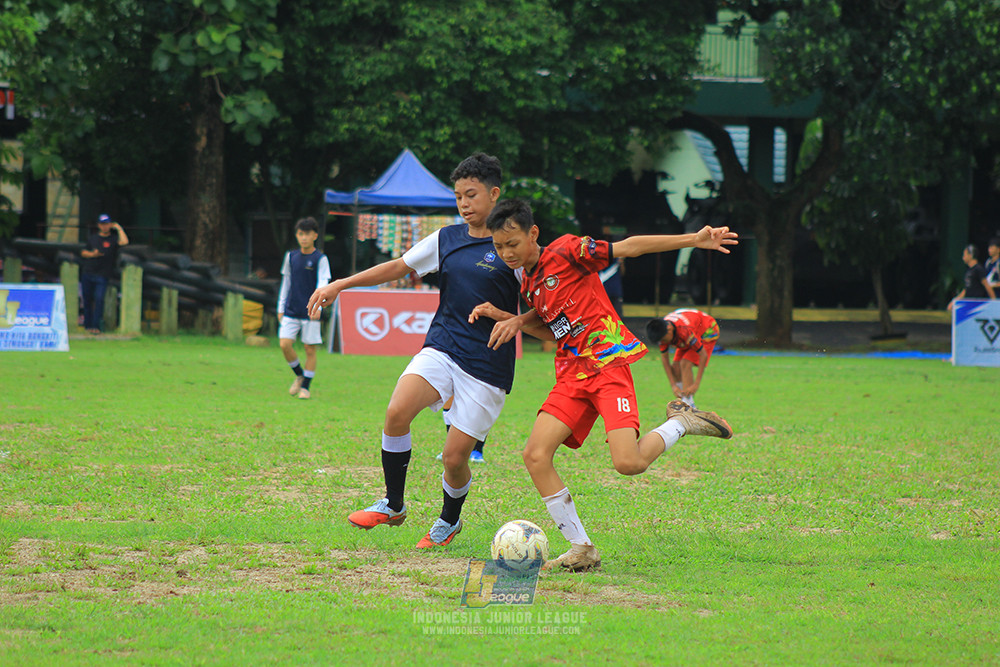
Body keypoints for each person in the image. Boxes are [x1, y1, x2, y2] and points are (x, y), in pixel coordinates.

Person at [469, 199, 737, 572]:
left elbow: (630, 247)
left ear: (533, 234)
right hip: (571, 376)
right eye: (498, 247)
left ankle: (681, 422)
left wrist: (693, 239)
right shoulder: (528, 284)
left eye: (512, 243)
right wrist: (511, 319)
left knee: (629, 463)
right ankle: (582, 548)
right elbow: (554, 330)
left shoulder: (568, 250)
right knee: (535, 455)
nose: (506, 253)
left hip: (608, 365)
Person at [306, 153, 549, 549]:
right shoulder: (446, 239)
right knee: (396, 412)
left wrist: (515, 320)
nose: (464, 203)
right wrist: (341, 284)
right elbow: (399, 266)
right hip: (443, 347)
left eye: (472, 195)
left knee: (454, 459)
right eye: (458, 197)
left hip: (487, 366)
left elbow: (545, 315)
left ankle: (449, 520)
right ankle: (393, 504)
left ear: (494, 194)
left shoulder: (514, 248)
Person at [278, 217, 332, 400]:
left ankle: (305, 388)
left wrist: (318, 307)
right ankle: (300, 375)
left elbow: (323, 283)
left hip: (310, 311)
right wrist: (280, 307)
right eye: (301, 234)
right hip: (291, 309)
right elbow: (286, 282)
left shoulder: (320, 259)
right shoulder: (290, 257)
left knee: (310, 349)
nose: (304, 238)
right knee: (284, 344)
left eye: (307, 234)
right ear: (296, 235)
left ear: (315, 235)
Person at [645, 309, 720, 409]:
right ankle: (685, 400)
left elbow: (703, 355)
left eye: (663, 340)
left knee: (685, 362)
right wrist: (673, 385)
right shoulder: (663, 331)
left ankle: (689, 405)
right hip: (691, 330)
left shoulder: (685, 331)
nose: (663, 343)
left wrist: (696, 384)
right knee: (676, 366)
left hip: (708, 331)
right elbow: (665, 359)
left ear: (669, 330)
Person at [80, 213, 129, 334]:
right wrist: (93, 254)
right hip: (88, 272)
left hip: (102, 274)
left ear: (110, 225)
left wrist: (119, 228)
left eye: (106, 224)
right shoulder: (93, 238)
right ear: (98, 225)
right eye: (102, 224)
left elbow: (124, 242)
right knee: (87, 300)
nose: (104, 226)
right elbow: (83, 252)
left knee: (99, 299)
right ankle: (87, 326)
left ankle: (96, 326)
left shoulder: (113, 239)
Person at [947, 244, 996, 311]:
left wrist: (995, 302)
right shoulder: (969, 271)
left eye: (964, 255)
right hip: (969, 303)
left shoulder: (978, 269)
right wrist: (954, 302)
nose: (963, 257)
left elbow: (987, 285)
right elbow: (966, 289)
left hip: (977, 304)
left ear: (971, 255)